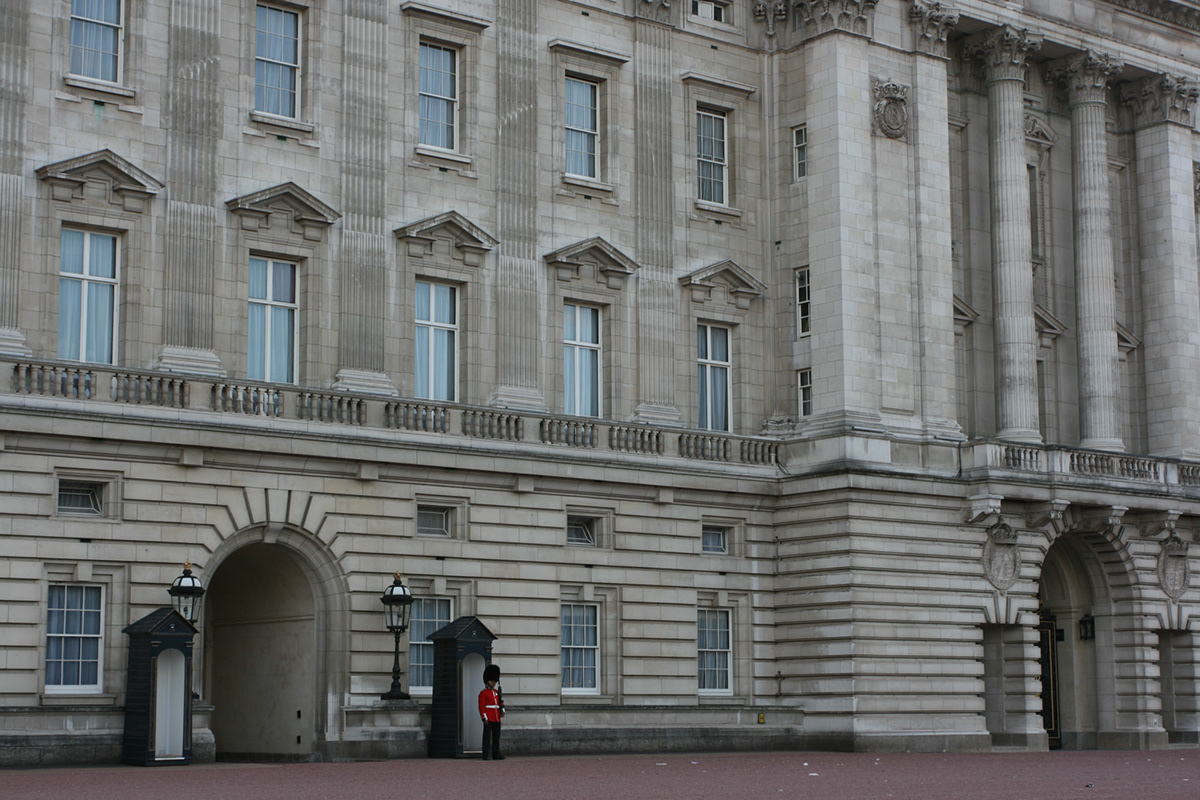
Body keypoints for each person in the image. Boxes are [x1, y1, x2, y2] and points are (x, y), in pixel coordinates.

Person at [478, 663, 505, 760]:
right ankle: (485, 754)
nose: (493, 682)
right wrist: (484, 717)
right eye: (492, 681)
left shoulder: (496, 692)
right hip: (489, 717)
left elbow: (500, 702)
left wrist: (502, 710)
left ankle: (496, 754)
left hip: (496, 716)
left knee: (496, 737)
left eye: (494, 681)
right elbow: (481, 707)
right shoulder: (483, 693)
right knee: (487, 737)